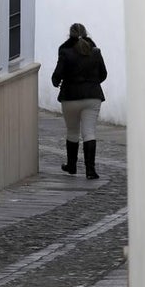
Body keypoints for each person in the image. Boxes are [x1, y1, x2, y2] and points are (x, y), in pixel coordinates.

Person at [51, 23, 108, 179]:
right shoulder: (96, 52)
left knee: (73, 131)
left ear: (70, 35)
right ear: (86, 34)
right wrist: (91, 83)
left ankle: (72, 166)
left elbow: (56, 77)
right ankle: (90, 170)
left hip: (70, 97)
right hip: (92, 97)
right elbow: (103, 74)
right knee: (89, 132)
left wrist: (59, 82)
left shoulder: (65, 52)